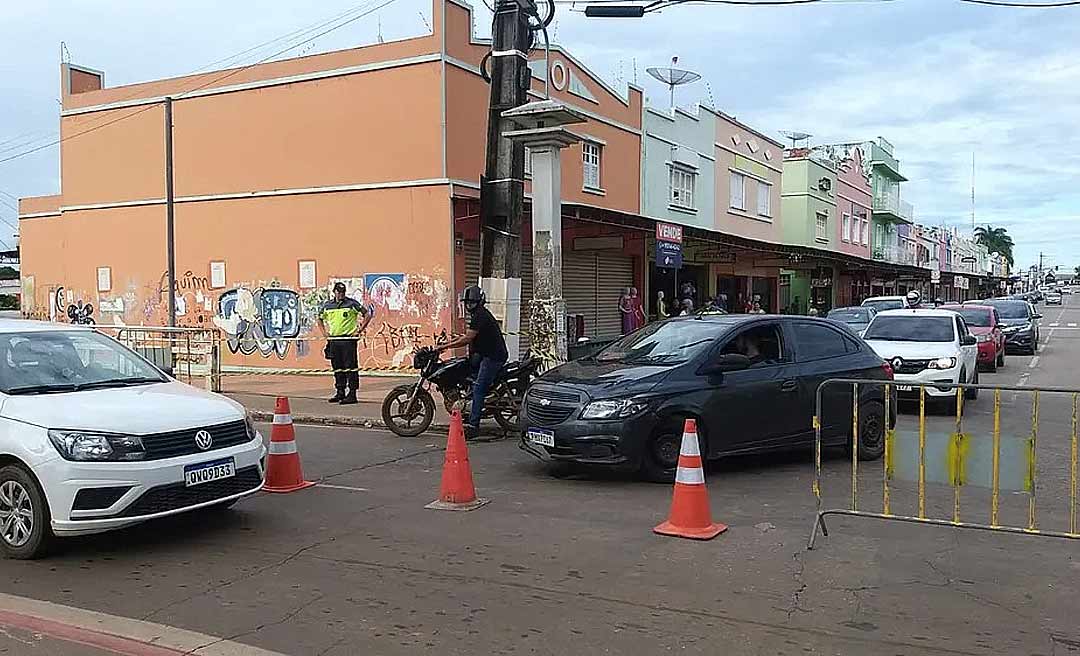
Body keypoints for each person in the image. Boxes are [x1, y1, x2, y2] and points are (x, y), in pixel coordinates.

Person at [437, 286, 508, 439]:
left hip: (493, 357)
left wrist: (445, 346)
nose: (469, 305)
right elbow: (468, 335)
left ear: (479, 301)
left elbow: (468, 339)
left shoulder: (480, 315)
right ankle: (468, 406)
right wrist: (452, 340)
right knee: (466, 372)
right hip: (482, 355)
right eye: (467, 302)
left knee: (478, 389)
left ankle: (474, 425)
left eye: (472, 302)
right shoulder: (477, 315)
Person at [317, 282, 372, 405]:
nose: (341, 294)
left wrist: (359, 330)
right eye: (339, 292)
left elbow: (367, 314)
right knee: (337, 367)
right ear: (334, 292)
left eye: (343, 292)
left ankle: (352, 394)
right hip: (334, 340)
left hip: (348, 340)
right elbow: (319, 318)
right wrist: (324, 333)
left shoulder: (351, 303)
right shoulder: (328, 305)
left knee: (351, 367)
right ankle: (340, 391)